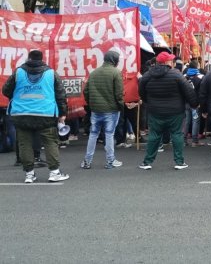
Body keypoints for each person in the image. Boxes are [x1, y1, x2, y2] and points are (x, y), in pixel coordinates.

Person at [2, 50, 69, 183]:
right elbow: (61, 95)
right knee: (50, 142)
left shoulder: (18, 72)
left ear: (29, 58)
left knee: (24, 143)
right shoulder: (51, 73)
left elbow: (5, 90)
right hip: (46, 114)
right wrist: (62, 114)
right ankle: (54, 172)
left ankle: (29, 174)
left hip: (21, 113)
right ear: (42, 59)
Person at [138, 51, 197, 170]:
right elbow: (189, 91)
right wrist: (194, 104)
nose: (173, 62)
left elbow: (142, 92)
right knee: (176, 135)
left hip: (155, 111)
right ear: (167, 62)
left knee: (154, 135)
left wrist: (148, 102)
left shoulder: (147, 75)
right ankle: (179, 162)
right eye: (171, 60)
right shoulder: (176, 74)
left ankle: (147, 162)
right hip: (175, 111)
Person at [81, 50, 124, 169]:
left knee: (93, 134)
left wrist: (91, 104)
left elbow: (86, 91)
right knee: (109, 134)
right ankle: (110, 161)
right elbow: (119, 94)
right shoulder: (116, 73)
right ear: (114, 60)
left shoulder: (94, 73)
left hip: (96, 110)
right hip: (111, 110)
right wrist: (121, 106)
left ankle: (87, 161)